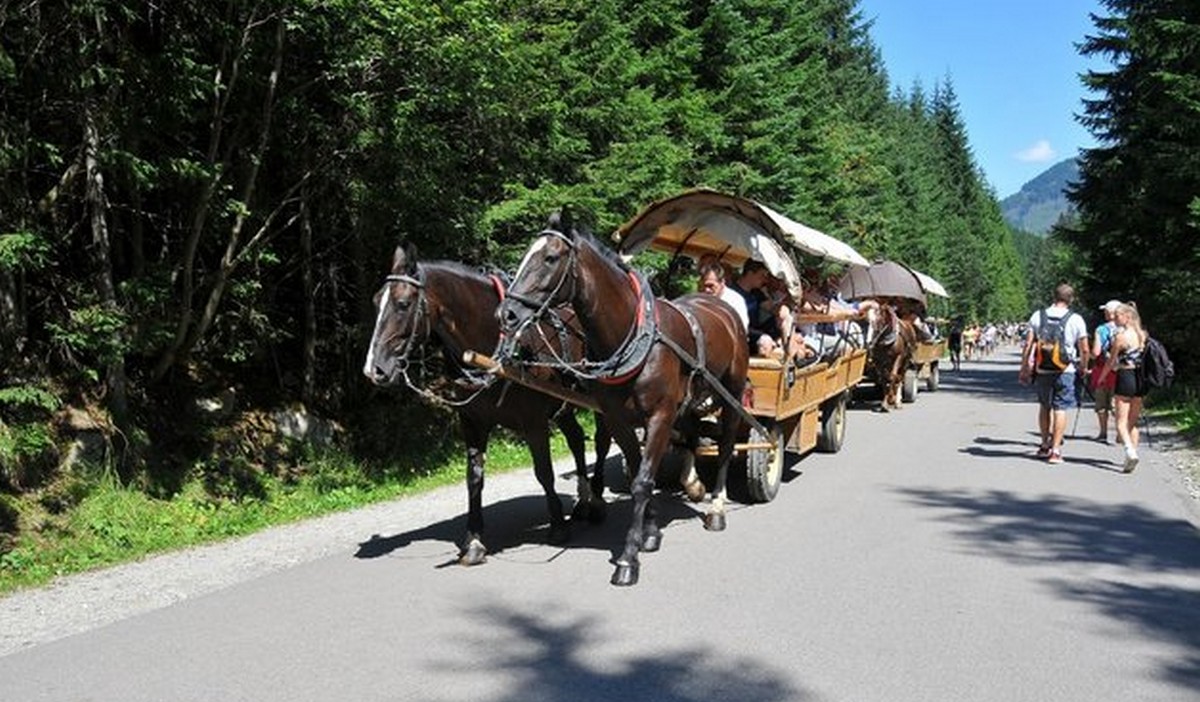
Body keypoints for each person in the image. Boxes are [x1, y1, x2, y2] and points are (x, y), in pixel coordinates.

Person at [1018, 283, 1090, 465]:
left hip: (1042, 368)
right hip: (1065, 370)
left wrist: (1025, 367)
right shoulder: (1076, 319)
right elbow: (1085, 349)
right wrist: (1083, 366)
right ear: (1071, 299)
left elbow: (1028, 344)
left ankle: (1044, 445)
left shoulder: (1038, 315)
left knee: (1044, 406)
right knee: (1061, 408)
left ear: (1054, 296)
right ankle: (1056, 451)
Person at [1095, 302, 1147, 473]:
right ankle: (1131, 454)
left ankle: (1130, 452)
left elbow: (1111, 362)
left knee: (1120, 423)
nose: (1115, 318)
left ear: (1127, 317)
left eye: (1118, 315)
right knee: (1133, 423)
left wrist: (1101, 378)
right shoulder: (1142, 335)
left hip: (1125, 377)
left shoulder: (1121, 337)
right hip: (1140, 379)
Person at [1088, 300, 1120, 444]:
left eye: (1105, 311)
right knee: (1117, 403)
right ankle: (1121, 433)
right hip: (1120, 371)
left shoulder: (1101, 329)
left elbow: (1096, 352)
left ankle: (1103, 433)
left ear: (1109, 313)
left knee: (1101, 404)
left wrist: (1088, 356)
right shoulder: (1125, 328)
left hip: (1101, 370)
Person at [697, 258, 750, 333]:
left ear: (722, 282)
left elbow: (741, 329)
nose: (706, 290)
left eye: (711, 286)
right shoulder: (698, 299)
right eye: (703, 286)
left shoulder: (735, 300)